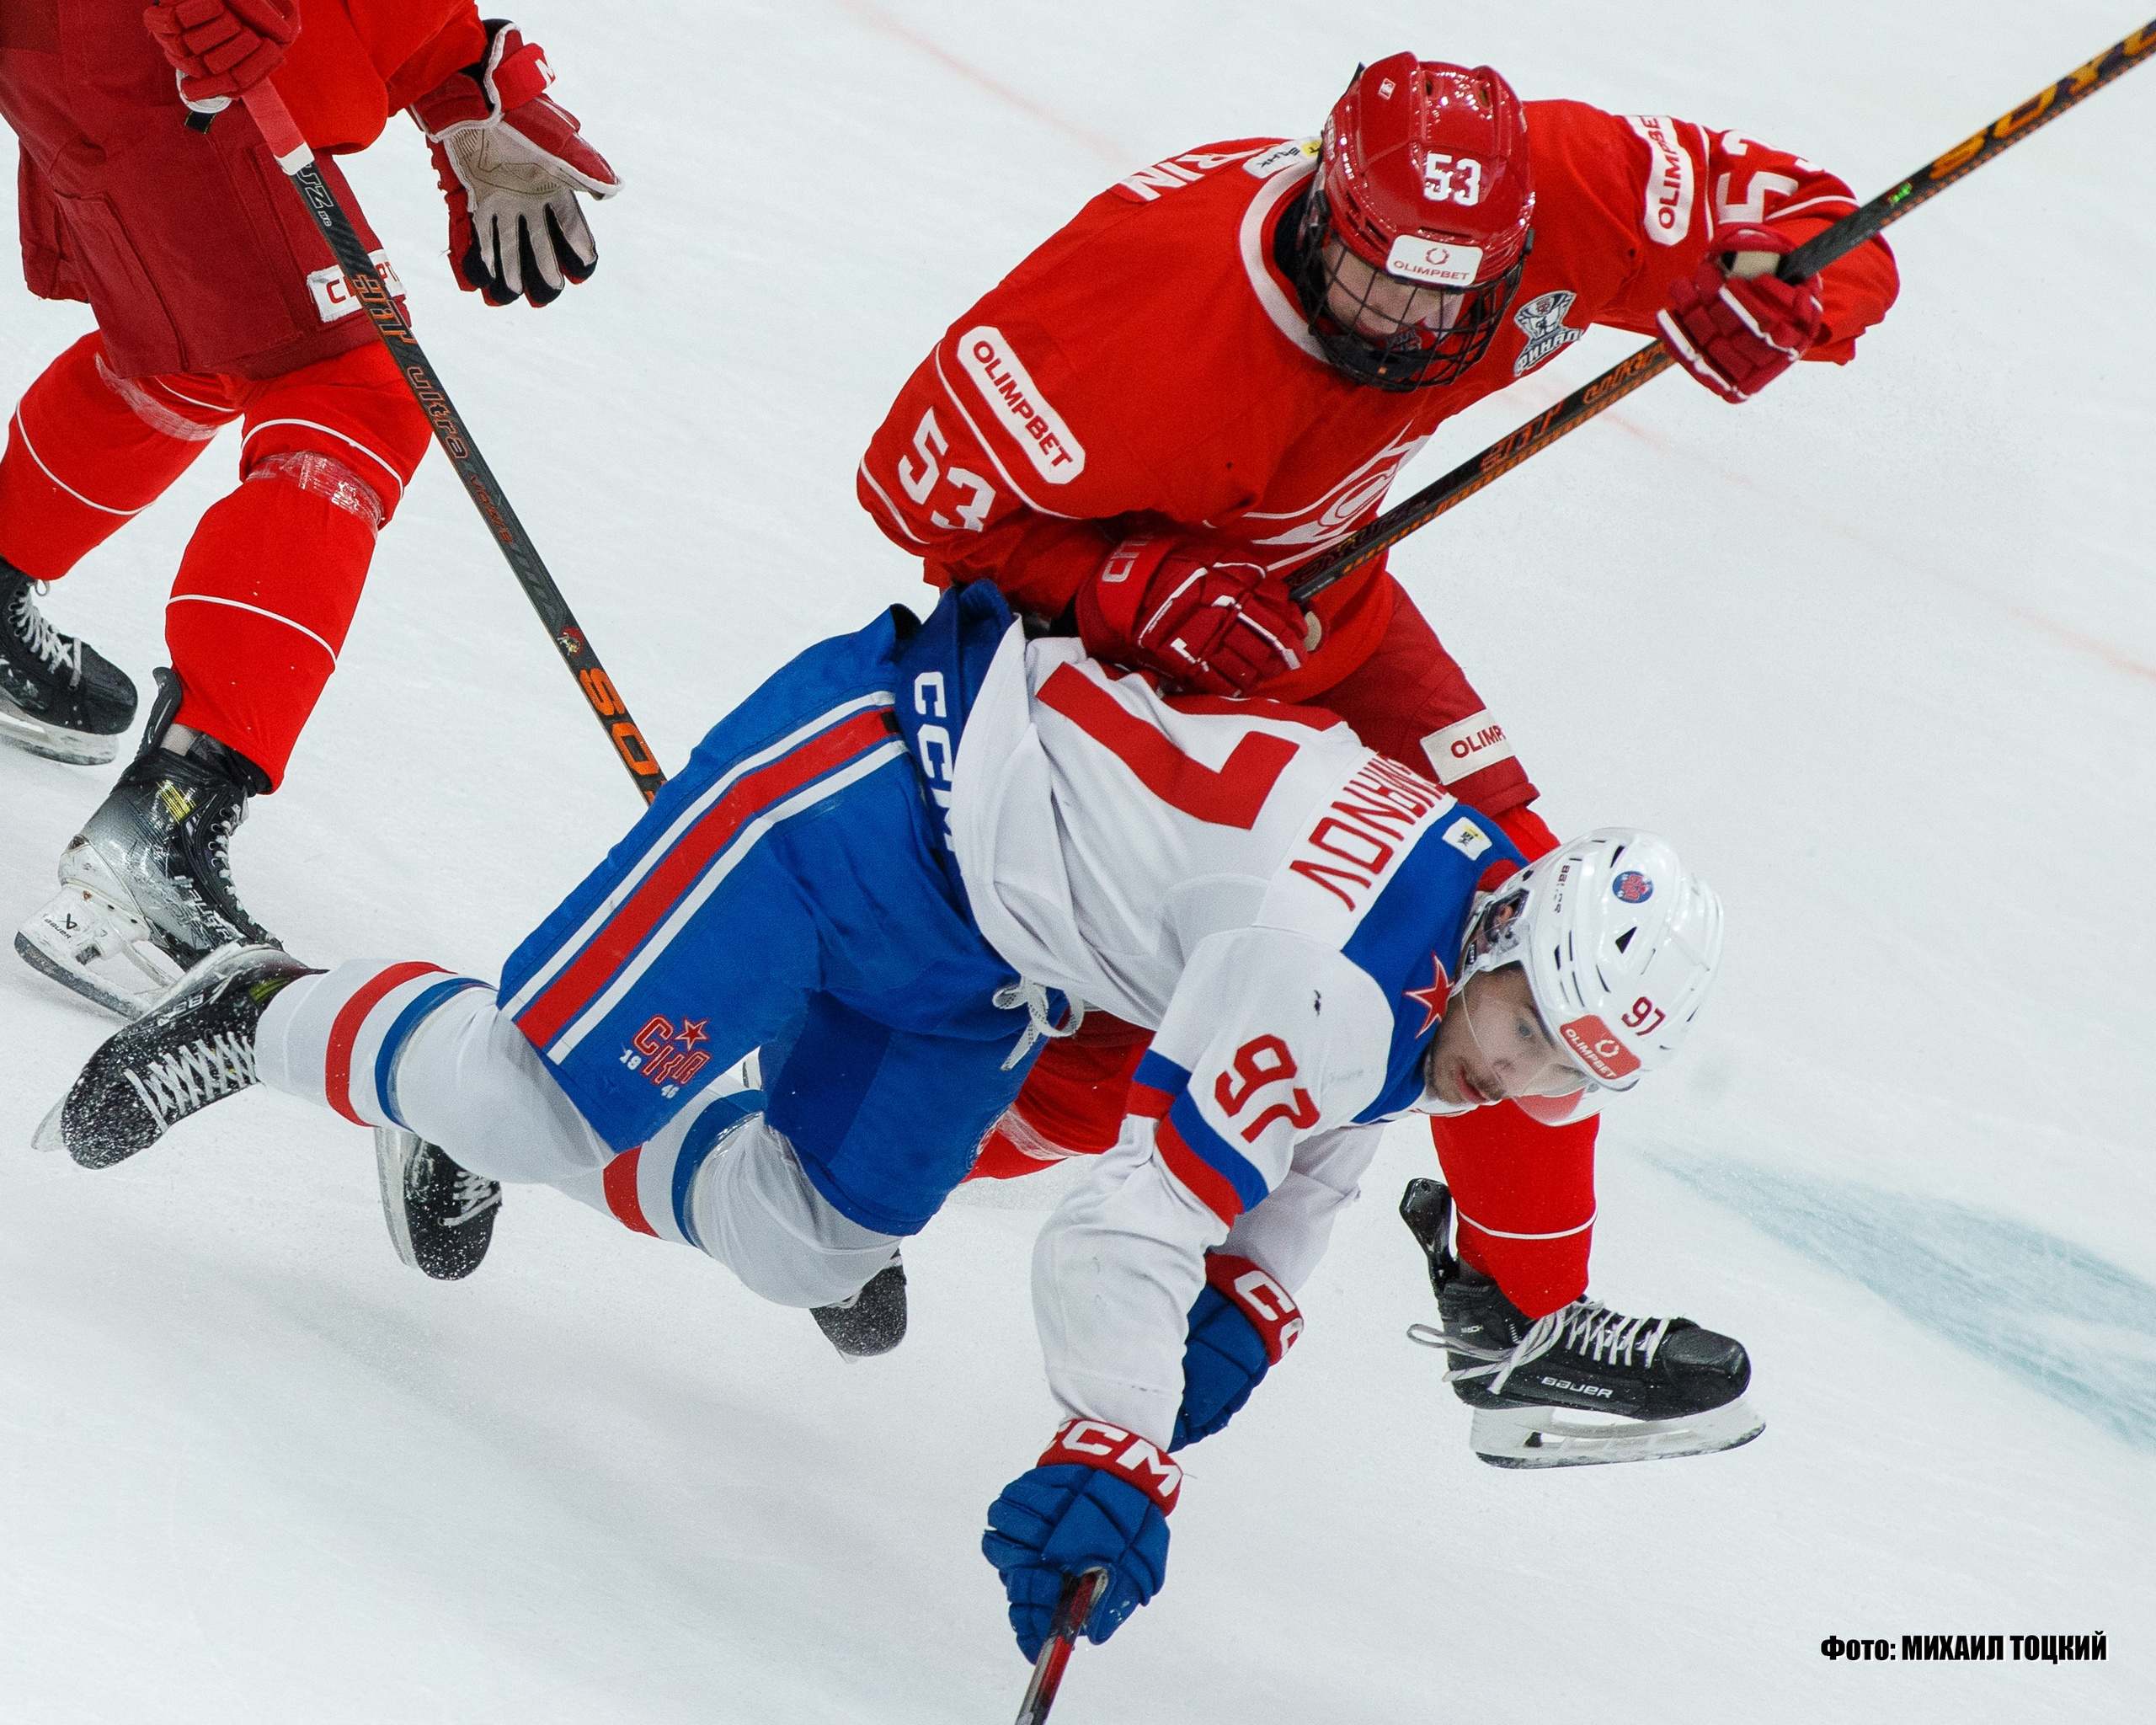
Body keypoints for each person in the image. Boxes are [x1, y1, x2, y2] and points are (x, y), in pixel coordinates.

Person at [40, 581, 1746, 1660]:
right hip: (854, 795)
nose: (1514, 1086)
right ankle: (273, 1013)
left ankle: (497, 1111)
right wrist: (1114, 1440)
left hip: (985, 939)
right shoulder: (1341, 969)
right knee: (526, 1091)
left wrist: (1256, 1297)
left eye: (1561, 1076)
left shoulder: (1443, 929)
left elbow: (1315, 1141)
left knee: (810, 1234)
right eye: (1527, 1037)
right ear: (1504, 944)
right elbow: (1117, 1229)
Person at [856, 53, 1897, 1346]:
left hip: (1327, 615)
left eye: (1447, 293)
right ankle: (820, 1178)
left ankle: (1522, 1323)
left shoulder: (1560, 188)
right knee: (1096, 1067)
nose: (1409, 321)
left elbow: (1821, 218)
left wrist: (1784, 301)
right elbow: (912, 492)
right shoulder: (1140, 311)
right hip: (1135, 677)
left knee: (1533, 913)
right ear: (1317, 210)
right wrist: (1123, 580)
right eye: (1379, 276)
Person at [2, 0, 619, 1033]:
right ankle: (165, 827)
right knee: (351, 388)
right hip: (158, 49)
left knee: (195, 341)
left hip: (106, 47)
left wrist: (461, 82)